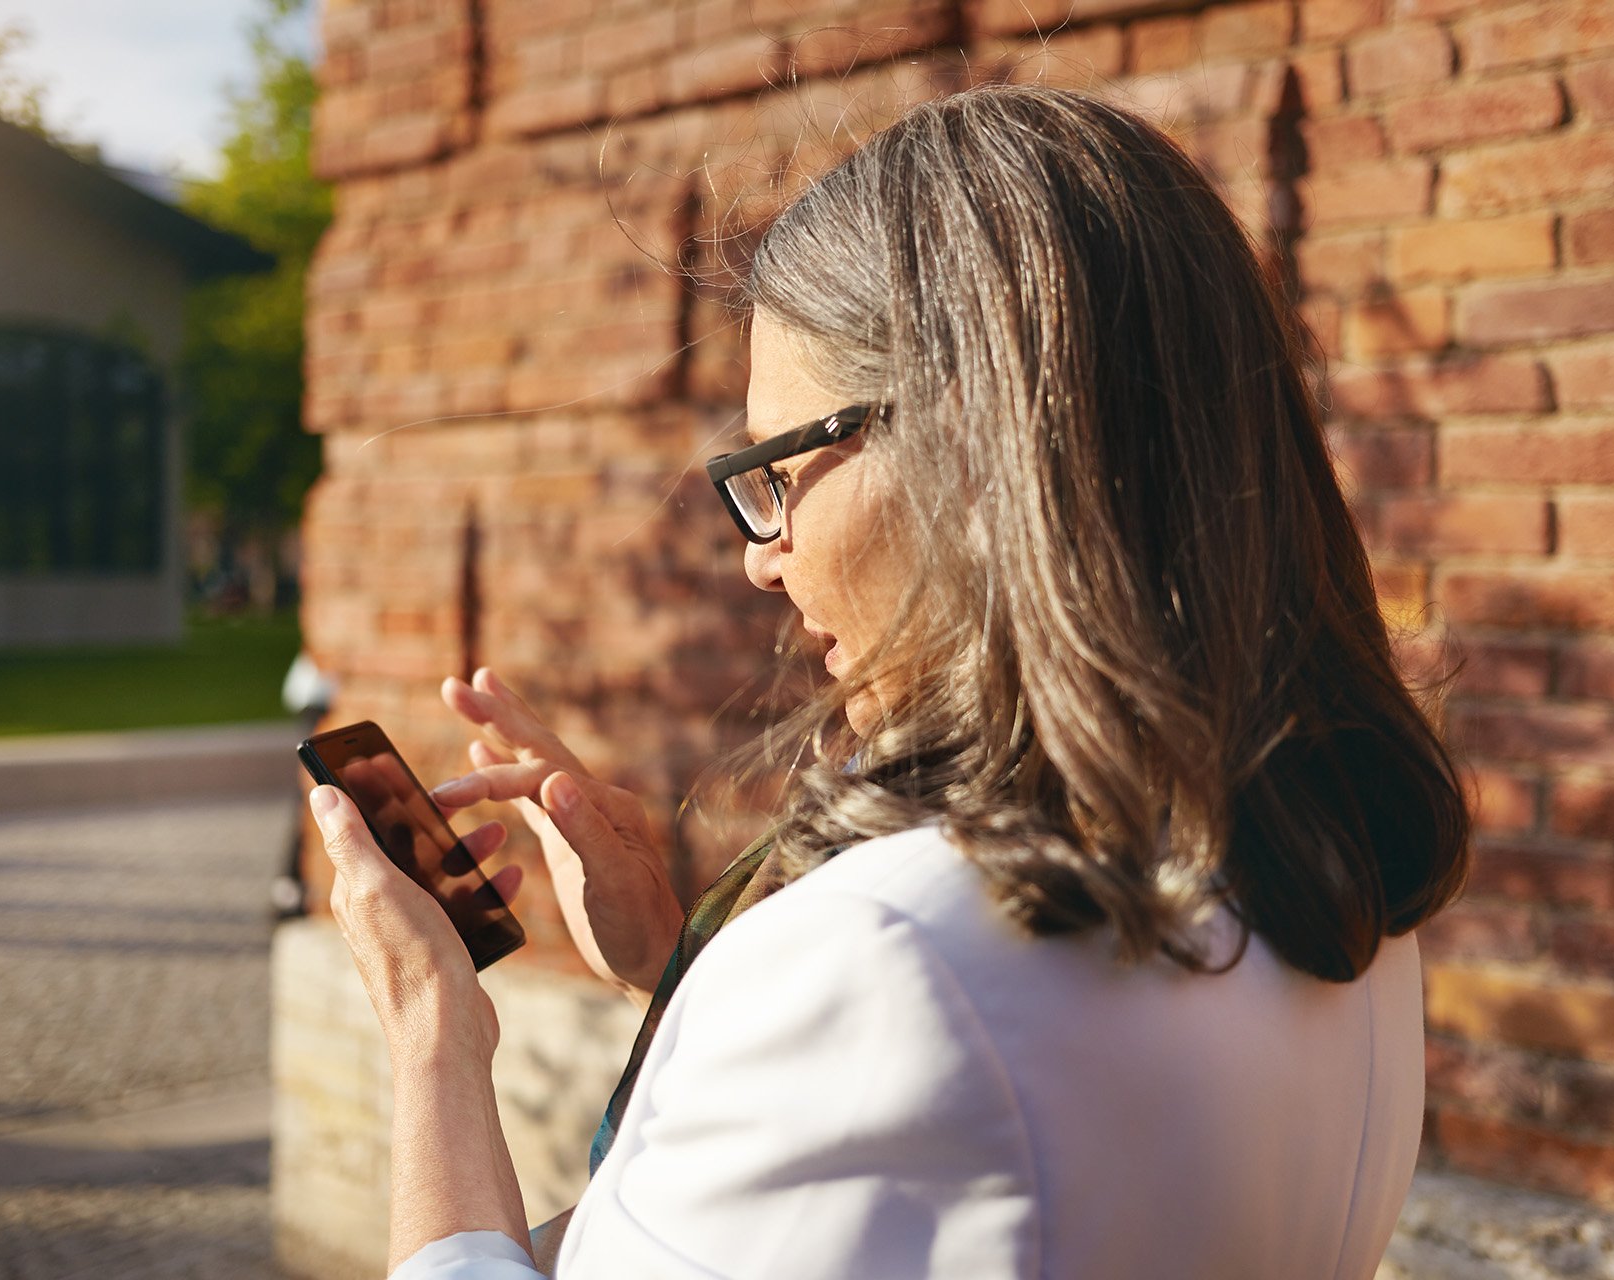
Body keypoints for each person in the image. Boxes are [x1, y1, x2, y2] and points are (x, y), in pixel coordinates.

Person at [308, 84, 1469, 1279]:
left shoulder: (887, 954)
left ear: (968, 438)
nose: (763, 554)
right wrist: (682, 974)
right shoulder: (1341, 873)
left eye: (777, 466)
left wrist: (434, 1028)